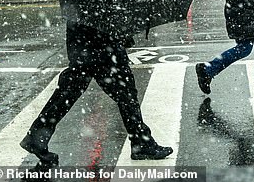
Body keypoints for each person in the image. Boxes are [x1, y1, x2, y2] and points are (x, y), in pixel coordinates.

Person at [20, 13, 173, 166]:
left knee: (70, 90)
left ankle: (36, 136)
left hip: (85, 41)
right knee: (125, 94)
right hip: (101, 44)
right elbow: (107, 12)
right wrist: (121, 34)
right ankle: (141, 143)